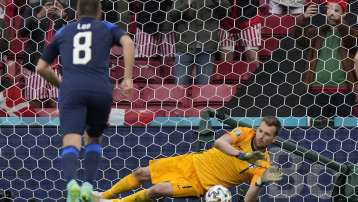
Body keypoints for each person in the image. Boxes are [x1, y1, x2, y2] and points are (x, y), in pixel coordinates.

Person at [35, 0, 135, 201]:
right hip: (100, 89)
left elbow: (41, 67)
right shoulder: (107, 27)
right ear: (99, 12)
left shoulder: (64, 31)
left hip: (72, 88)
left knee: (71, 140)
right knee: (94, 137)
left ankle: (72, 184)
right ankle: (88, 186)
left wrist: (61, 84)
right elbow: (129, 42)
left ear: (77, 13)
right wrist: (128, 77)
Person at [94, 116, 283, 202]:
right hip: (191, 162)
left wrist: (260, 183)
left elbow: (249, 198)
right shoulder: (244, 132)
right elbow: (218, 142)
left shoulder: (263, 165)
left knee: (157, 190)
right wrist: (242, 154)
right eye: (260, 131)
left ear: (273, 139)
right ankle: (103, 196)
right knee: (140, 173)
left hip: (200, 184)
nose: (261, 136)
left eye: (267, 134)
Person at [292, 0, 358, 125]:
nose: (331, 13)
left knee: (344, 129)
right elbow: (299, 38)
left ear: (344, 14)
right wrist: (303, 19)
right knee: (316, 129)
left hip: (343, 91)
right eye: (328, 9)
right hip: (317, 91)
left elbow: (353, 39)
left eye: (336, 10)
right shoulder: (317, 33)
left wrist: (340, 22)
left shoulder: (350, 33)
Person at [21, 0, 69, 108]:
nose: (53, 7)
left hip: (59, 67)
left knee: (57, 104)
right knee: (35, 102)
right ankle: (35, 125)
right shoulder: (34, 8)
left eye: (56, 5)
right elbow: (22, 31)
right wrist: (40, 15)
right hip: (36, 64)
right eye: (49, 4)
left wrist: (64, 17)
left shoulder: (68, 11)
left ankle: (57, 125)